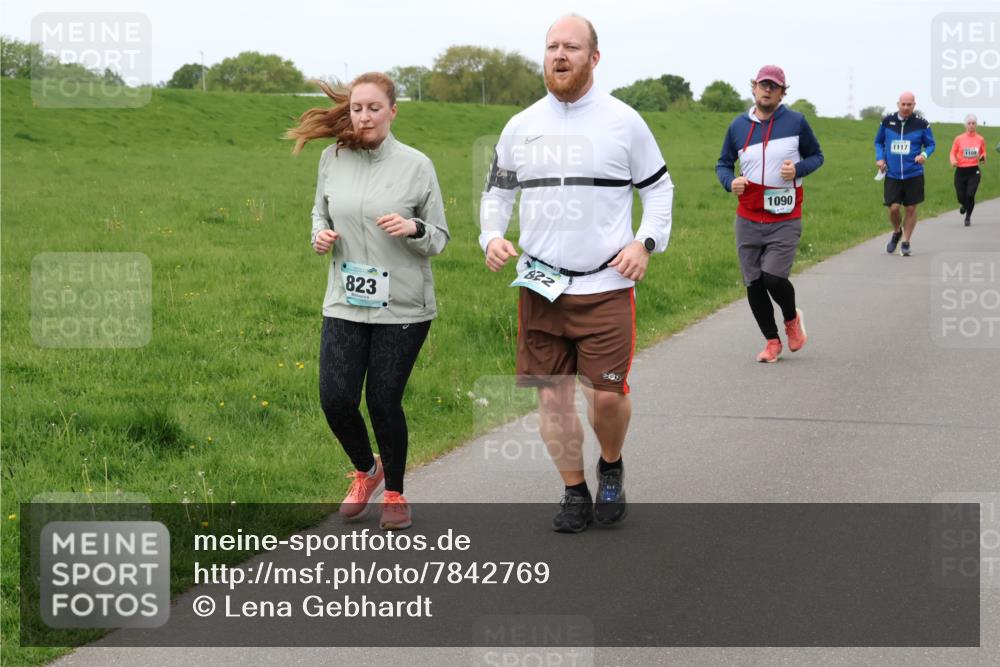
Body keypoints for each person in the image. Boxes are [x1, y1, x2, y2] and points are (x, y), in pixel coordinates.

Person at [480, 15, 674, 533]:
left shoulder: (624, 121)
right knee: (552, 394)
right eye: (551, 47)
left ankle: (610, 464)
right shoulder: (520, 125)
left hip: (605, 283)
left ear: (594, 57)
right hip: (541, 285)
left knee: (607, 396)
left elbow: (658, 190)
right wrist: (491, 236)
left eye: (571, 47)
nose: (559, 55)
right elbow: (497, 193)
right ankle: (573, 491)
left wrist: (645, 242)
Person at [286, 73, 449, 530]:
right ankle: (366, 469)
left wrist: (413, 229)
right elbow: (320, 210)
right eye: (357, 108)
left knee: (382, 399)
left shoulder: (418, 166)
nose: (364, 116)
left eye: (374, 108)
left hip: (402, 305)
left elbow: (439, 238)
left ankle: (394, 492)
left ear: (393, 111)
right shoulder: (331, 158)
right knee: (335, 399)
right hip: (345, 300)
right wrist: (318, 234)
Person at [716, 65, 824, 363]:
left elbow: (817, 156)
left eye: (773, 86)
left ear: (782, 92)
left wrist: (798, 169)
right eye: (763, 85)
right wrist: (730, 181)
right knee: (753, 282)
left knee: (773, 278)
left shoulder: (796, 122)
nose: (767, 90)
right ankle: (772, 341)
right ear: (754, 88)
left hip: (784, 216)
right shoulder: (738, 126)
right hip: (748, 216)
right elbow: (723, 164)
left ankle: (791, 319)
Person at [874, 92, 936, 256]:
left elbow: (931, 145)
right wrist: (880, 158)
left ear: (914, 105)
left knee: (910, 209)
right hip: (893, 174)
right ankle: (896, 231)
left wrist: (924, 155)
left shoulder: (921, 124)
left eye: (909, 104)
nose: (906, 107)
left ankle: (906, 242)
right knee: (893, 208)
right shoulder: (887, 121)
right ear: (898, 104)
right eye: (903, 104)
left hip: (913, 174)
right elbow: (878, 142)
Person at [949, 114, 987, 226]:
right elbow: (953, 152)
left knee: (970, 195)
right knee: (961, 197)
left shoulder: (980, 139)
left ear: (976, 125)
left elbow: (983, 151)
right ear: (965, 125)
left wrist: (983, 157)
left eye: (973, 123)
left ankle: (968, 217)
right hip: (960, 171)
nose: (971, 125)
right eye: (969, 123)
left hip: (974, 171)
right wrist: (953, 161)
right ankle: (964, 205)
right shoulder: (959, 138)